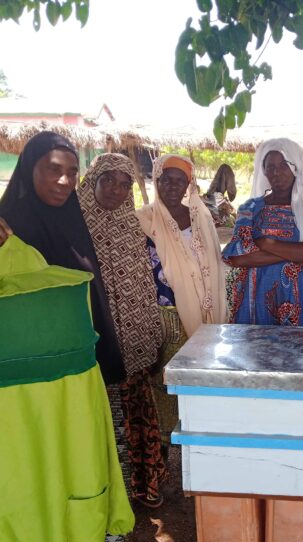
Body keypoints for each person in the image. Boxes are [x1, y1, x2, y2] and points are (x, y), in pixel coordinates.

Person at [0, 132, 139, 542]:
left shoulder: (72, 219)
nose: (65, 180)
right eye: (54, 169)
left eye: (72, 171)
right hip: (23, 390)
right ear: (30, 169)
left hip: (77, 378)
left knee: (87, 471)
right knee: (39, 470)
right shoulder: (5, 222)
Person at [76, 153, 167, 512]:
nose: (115, 189)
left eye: (123, 183)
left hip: (136, 343)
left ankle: (142, 487)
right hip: (94, 342)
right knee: (101, 418)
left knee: (135, 411)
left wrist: (150, 334)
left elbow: (142, 284)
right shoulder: (75, 225)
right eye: (108, 180)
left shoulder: (131, 225)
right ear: (93, 180)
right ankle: (104, 495)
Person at [137, 154, 228, 444]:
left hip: (207, 317)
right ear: (157, 181)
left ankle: (200, 451)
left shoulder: (201, 217)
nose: (173, 186)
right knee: (164, 388)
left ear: (189, 184)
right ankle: (163, 454)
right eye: (167, 180)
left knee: (200, 387)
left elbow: (214, 265)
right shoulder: (143, 220)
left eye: (181, 181)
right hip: (166, 316)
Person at [222, 138, 303, 327]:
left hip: (299, 296)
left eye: (283, 165)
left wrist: (268, 244)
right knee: (254, 352)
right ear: (263, 171)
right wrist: (297, 256)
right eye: (270, 167)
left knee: (296, 352)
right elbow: (237, 258)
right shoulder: (251, 208)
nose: (276, 173)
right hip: (253, 295)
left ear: (296, 167)